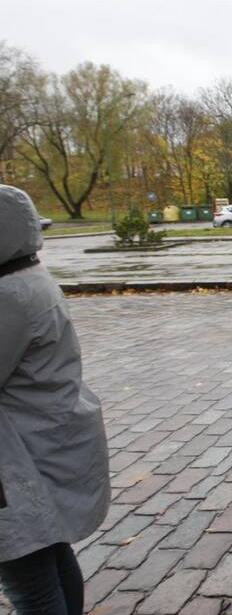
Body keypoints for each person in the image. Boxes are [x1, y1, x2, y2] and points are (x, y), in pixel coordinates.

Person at [0, 185, 110, 614]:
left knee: (30, 585)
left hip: (16, 465)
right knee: (51, 560)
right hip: (35, 447)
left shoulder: (9, 294)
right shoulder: (28, 278)